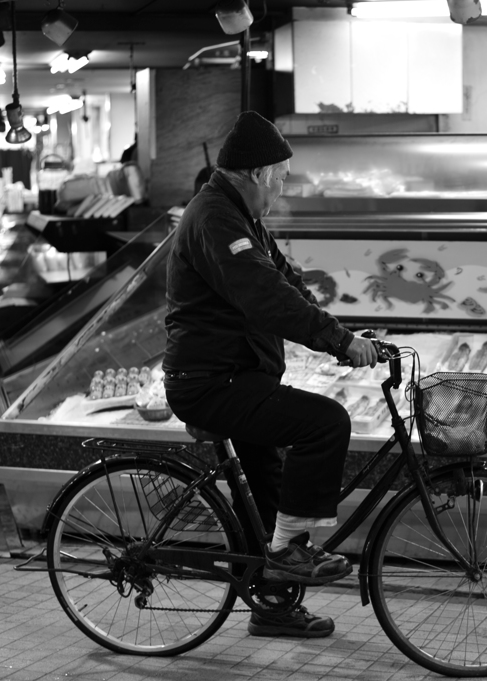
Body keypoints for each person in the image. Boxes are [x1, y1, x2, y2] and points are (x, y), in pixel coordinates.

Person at [163, 111, 378, 639]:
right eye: (281, 177)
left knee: (268, 494)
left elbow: (284, 279)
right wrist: (337, 341)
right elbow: (263, 295)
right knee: (324, 423)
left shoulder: (239, 214)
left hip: (238, 378)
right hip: (211, 382)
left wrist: (344, 337)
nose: (282, 189)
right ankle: (286, 551)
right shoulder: (215, 216)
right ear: (259, 173)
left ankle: (273, 603)